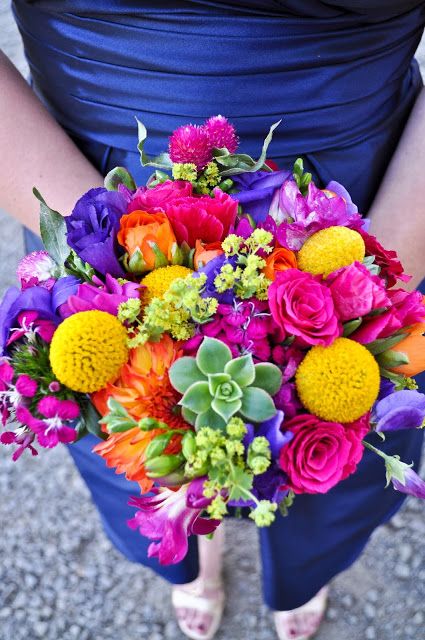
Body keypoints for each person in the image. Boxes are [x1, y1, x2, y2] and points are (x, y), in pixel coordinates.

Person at [1, 1, 425, 639]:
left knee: (341, 447)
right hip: (95, 183)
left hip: (367, 193)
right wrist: (105, 251)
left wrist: (367, 283)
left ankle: (304, 570)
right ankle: (188, 536)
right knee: (142, 442)